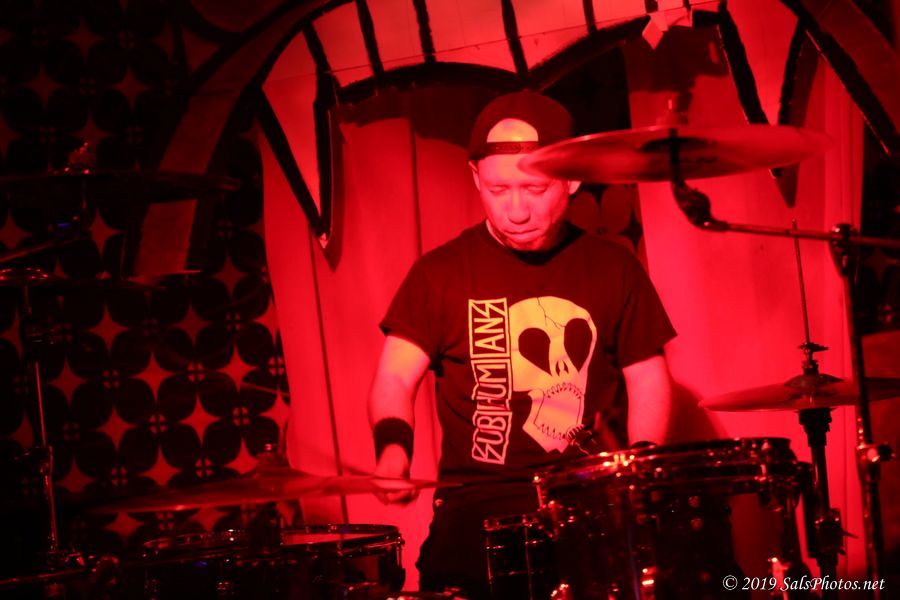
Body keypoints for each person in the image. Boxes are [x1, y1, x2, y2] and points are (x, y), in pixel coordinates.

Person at [368, 91, 675, 599]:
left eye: (534, 189)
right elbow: (396, 376)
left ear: (572, 178)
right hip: (474, 509)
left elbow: (648, 378)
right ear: (475, 178)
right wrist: (393, 451)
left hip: (585, 499)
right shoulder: (438, 274)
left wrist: (638, 478)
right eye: (498, 189)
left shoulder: (613, 267)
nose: (515, 210)